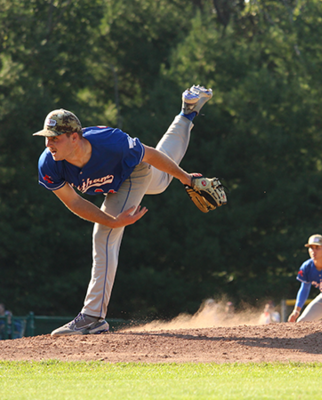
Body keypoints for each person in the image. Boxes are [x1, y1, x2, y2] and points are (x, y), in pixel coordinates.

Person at [33, 85, 215, 336]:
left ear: (75, 137)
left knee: (104, 235)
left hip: (133, 173)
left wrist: (186, 179)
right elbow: (74, 202)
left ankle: (92, 318)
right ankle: (187, 113)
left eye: (55, 137)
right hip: (116, 184)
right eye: (47, 137)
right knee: (160, 184)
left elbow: (149, 155)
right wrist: (112, 220)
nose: (49, 143)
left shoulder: (109, 141)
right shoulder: (49, 164)